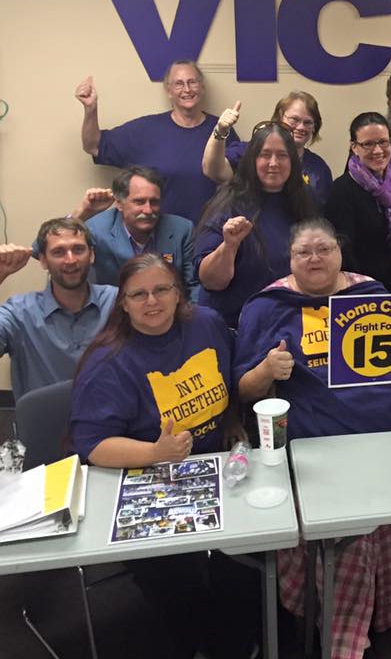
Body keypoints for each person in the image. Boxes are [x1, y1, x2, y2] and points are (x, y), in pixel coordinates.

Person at [234, 218, 391, 659]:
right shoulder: (267, 307)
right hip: (322, 430)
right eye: (304, 252)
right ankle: (345, 630)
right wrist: (266, 372)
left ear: (340, 251)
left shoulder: (371, 292)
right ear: (290, 260)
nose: (315, 258)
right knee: (349, 522)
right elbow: (243, 389)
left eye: (324, 249)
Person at [70, 254, 257, 659]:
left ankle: (239, 636)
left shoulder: (206, 324)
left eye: (161, 290)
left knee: (253, 554)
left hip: (218, 466)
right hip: (147, 476)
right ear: (123, 302)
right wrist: (155, 452)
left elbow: (227, 379)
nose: (151, 301)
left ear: (177, 294)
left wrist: (229, 420)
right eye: (138, 294)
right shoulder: (109, 362)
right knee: (176, 576)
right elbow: (93, 446)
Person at [75, 61, 238, 223]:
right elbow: (93, 145)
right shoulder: (144, 131)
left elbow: (240, 183)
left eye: (192, 82)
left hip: (210, 237)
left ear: (202, 88)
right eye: (179, 84)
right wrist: (90, 109)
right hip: (158, 238)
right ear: (169, 91)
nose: (187, 89)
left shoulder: (222, 130)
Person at [194, 122, 318, 327]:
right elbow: (211, 281)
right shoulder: (228, 204)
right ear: (252, 160)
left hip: (288, 322)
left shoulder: (306, 201)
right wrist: (229, 246)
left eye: (282, 155)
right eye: (265, 154)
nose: (273, 163)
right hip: (234, 328)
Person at [0, 218, 117, 401]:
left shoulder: (116, 301)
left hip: (111, 424)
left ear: (92, 255)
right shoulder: (19, 313)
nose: (70, 260)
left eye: (78, 250)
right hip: (45, 425)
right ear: (44, 261)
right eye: (58, 252)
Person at [70, 166, 199, 300]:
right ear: (120, 204)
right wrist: (82, 212)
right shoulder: (96, 229)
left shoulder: (181, 229)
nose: (148, 210)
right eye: (139, 202)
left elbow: (193, 286)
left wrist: (191, 317)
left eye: (154, 202)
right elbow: (58, 249)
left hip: (169, 313)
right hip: (117, 314)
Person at [202, 90, 334, 212]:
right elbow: (214, 171)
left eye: (308, 122)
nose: (301, 127)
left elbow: (320, 214)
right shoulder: (248, 152)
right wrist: (220, 131)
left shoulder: (319, 168)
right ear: (279, 117)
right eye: (294, 119)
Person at [325, 112, 391, 292]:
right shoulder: (342, 191)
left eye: (383, 142)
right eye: (368, 144)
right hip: (362, 291)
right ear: (354, 147)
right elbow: (343, 256)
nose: (378, 150)